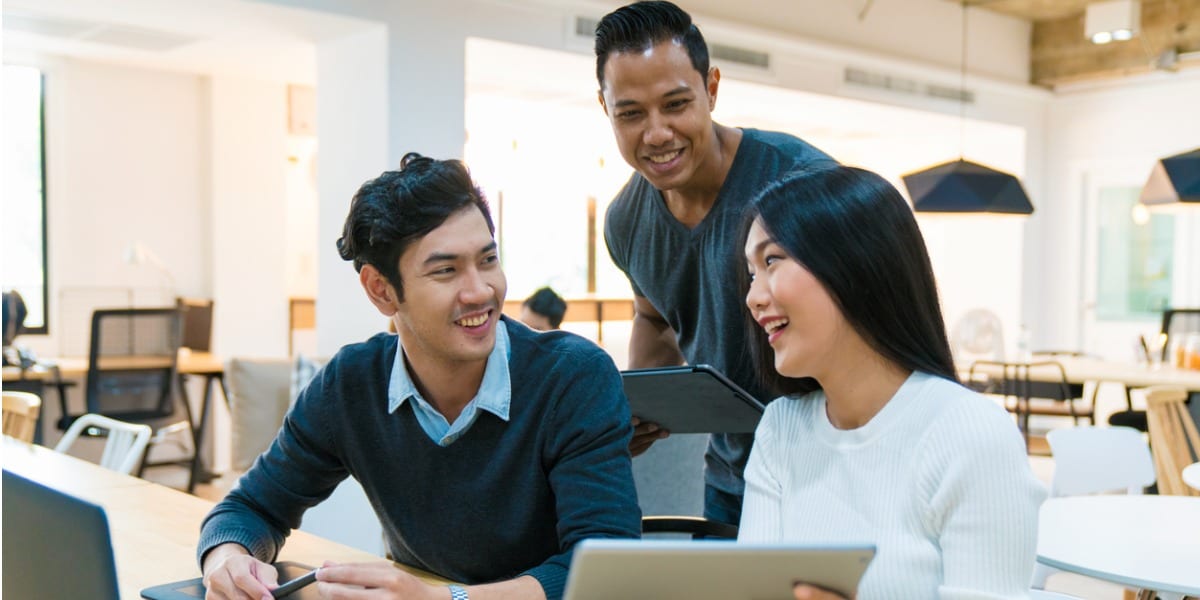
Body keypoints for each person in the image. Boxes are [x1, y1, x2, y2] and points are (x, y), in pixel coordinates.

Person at [197, 153, 640, 600]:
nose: (480, 291)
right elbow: (249, 507)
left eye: (487, 260)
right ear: (381, 290)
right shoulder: (350, 385)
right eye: (446, 270)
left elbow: (604, 570)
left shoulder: (573, 376)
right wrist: (227, 560)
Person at [737, 166, 1045, 598]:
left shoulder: (971, 435)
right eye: (752, 273)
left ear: (855, 263)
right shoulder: (779, 429)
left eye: (771, 261)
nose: (753, 297)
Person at [595, 0, 836, 525]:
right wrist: (642, 405)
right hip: (729, 480)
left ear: (712, 89)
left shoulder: (800, 183)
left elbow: (862, 330)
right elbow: (654, 317)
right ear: (605, 108)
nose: (656, 133)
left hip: (827, 472)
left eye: (676, 104)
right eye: (630, 113)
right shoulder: (625, 220)